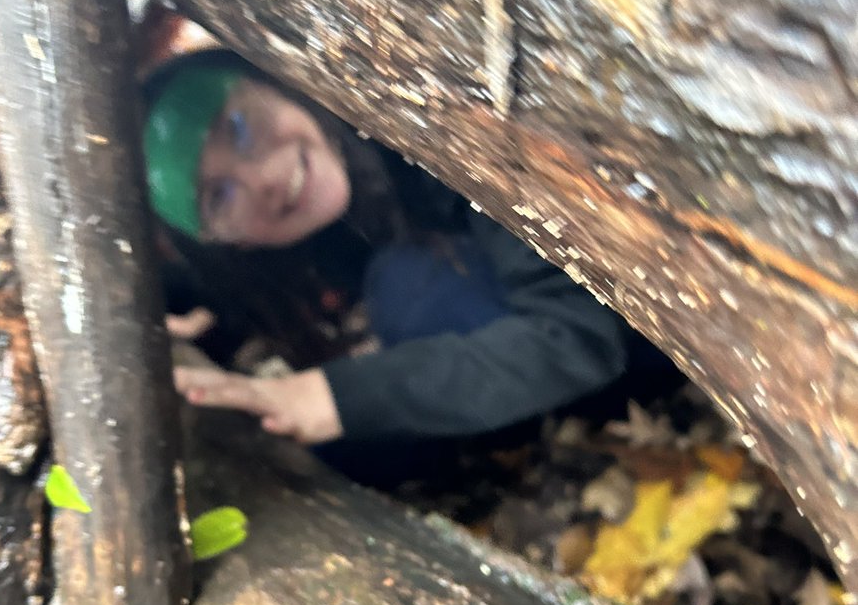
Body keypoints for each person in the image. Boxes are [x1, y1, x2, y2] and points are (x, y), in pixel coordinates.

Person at [143, 48, 632, 479]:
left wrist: (336, 399)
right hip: (561, 397)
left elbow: (578, 336)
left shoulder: (427, 128)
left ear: (276, 83)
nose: (263, 178)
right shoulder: (305, 224)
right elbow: (196, 288)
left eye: (240, 127)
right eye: (217, 198)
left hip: (634, 357)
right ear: (230, 245)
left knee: (409, 293)